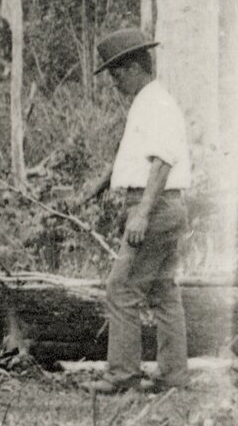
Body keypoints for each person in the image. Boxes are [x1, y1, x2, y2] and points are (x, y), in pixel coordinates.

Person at [78, 27, 194, 395]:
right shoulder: (148, 102)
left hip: (155, 205)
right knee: (162, 291)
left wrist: (142, 213)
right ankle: (173, 374)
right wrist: (97, 187)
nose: (113, 81)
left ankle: (122, 375)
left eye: (116, 73)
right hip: (165, 206)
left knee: (121, 288)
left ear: (133, 67)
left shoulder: (155, 103)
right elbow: (137, 160)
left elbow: (162, 161)